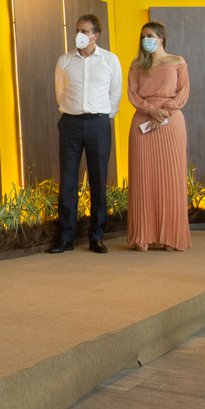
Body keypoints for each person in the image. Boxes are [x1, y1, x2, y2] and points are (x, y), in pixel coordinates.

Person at [51, 14, 123, 254]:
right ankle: (66, 238)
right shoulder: (64, 60)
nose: (79, 35)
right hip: (70, 124)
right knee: (68, 181)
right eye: (77, 30)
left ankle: (96, 237)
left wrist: (102, 116)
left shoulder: (110, 60)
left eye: (84, 31)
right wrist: (73, 112)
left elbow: (115, 94)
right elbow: (60, 93)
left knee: (98, 181)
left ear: (96, 35)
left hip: (99, 124)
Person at [127, 22, 191, 251]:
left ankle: (170, 237)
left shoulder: (178, 61)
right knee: (143, 177)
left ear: (161, 38)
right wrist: (149, 110)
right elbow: (132, 93)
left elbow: (183, 92)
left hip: (170, 121)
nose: (146, 39)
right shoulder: (137, 65)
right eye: (143, 36)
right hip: (143, 120)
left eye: (150, 35)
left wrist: (164, 112)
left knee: (171, 177)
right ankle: (143, 236)